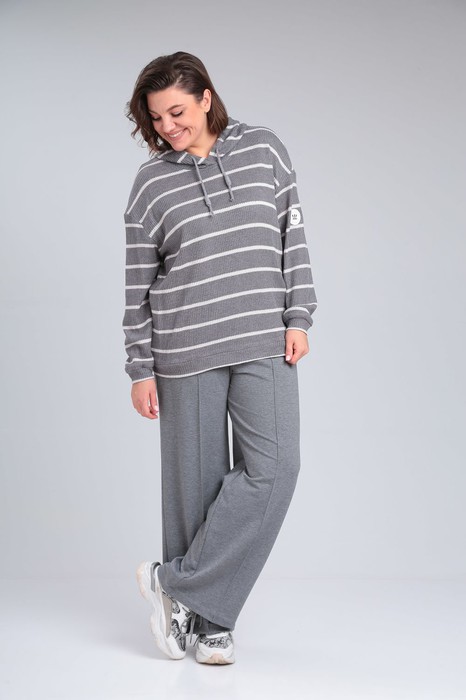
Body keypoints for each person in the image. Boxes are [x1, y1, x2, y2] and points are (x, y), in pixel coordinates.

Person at [122, 51, 318, 665]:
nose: (168, 127)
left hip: (263, 338)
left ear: (206, 98)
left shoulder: (265, 149)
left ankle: (172, 583)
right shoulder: (151, 184)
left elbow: (292, 237)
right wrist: (140, 367)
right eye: (157, 118)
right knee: (196, 488)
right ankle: (209, 624)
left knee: (275, 469)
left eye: (177, 111)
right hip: (183, 349)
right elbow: (137, 283)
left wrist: (299, 316)